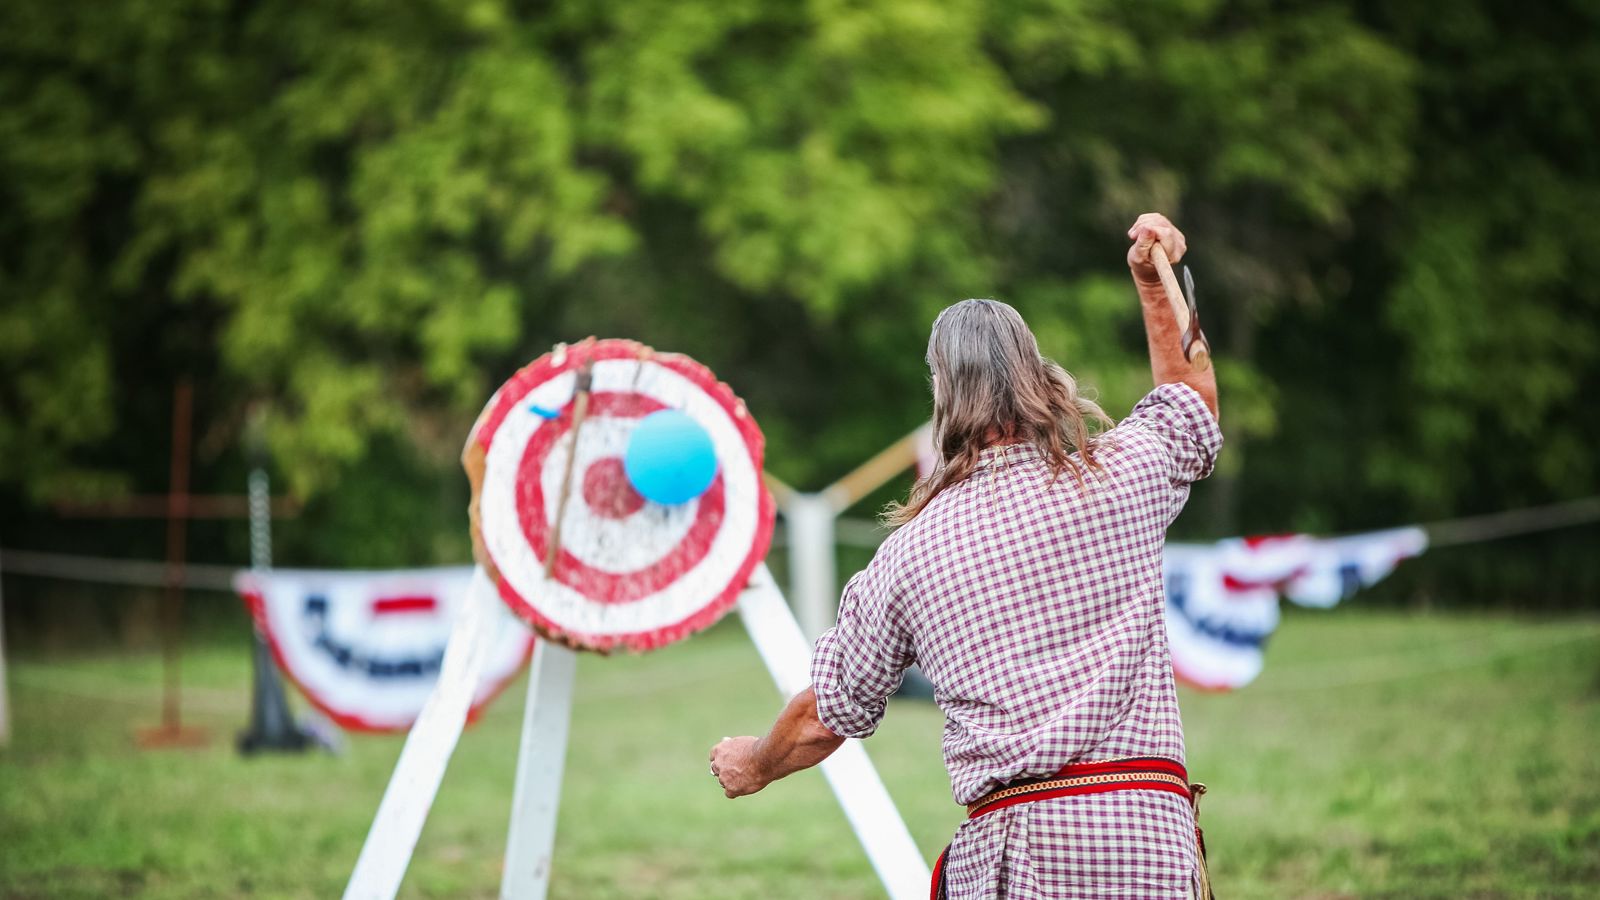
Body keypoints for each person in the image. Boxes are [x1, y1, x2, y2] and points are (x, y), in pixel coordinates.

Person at [709, 213, 1220, 898]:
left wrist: (756, 763)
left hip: (1018, 854)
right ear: (1036, 371)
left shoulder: (907, 555)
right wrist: (1156, 289)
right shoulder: (1123, 476)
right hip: (1149, 843)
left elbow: (824, 714)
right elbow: (1189, 402)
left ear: (942, 393)